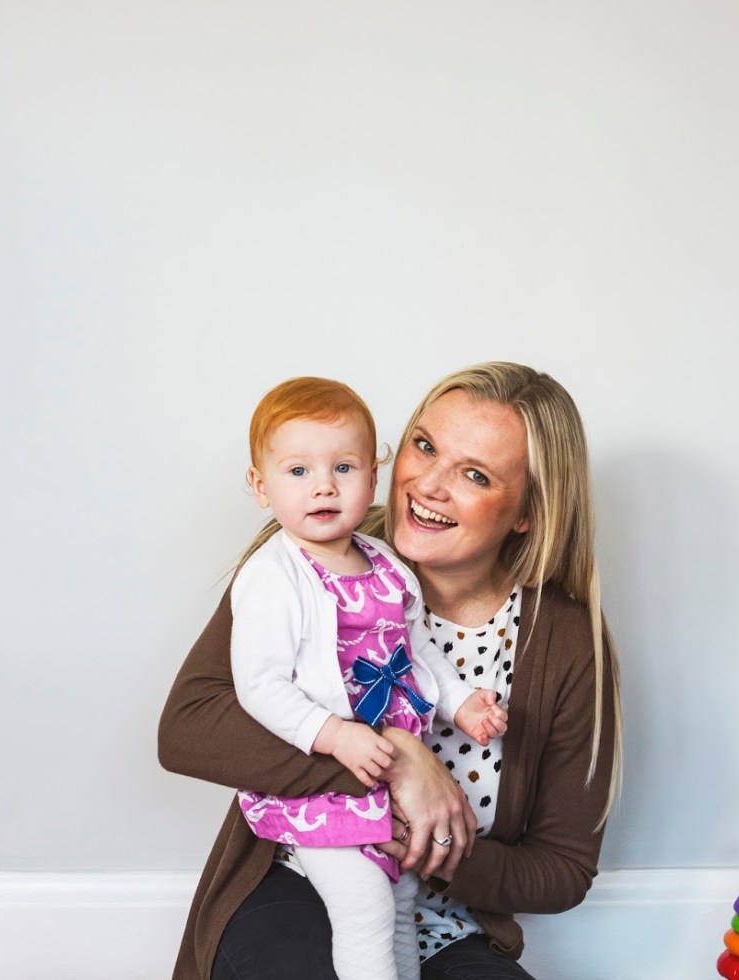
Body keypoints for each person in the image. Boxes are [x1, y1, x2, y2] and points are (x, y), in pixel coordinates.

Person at [159, 361, 623, 980]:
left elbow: (562, 869)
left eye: (475, 475)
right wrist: (397, 762)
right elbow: (189, 728)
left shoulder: (563, 640)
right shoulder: (310, 554)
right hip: (297, 877)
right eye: (425, 446)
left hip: (447, 925)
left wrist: (433, 846)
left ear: (526, 512)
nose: (428, 485)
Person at [225, 377, 508, 980]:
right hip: (321, 790)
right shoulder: (274, 575)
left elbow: (420, 652)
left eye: (344, 467)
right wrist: (335, 735)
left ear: (372, 478)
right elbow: (258, 686)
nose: (324, 486)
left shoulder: (386, 564)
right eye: (298, 471)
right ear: (260, 485)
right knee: (366, 909)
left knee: (400, 907)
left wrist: (461, 704)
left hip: (382, 792)